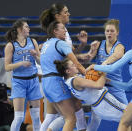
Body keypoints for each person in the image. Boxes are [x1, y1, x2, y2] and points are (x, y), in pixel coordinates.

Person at [54, 58, 132, 131]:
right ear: (68, 71)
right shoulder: (76, 80)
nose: (75, 66)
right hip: (105, 103)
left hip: (99, 105)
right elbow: (98, 86)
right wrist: (103, 72)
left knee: (128, 124)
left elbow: (91, 84)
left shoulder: (68, 81)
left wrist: (98, 76)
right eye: (72, 65)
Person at [39, 3, 91, 131]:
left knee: (70, 109)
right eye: (66, 12)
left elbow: (72, 54)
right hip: (56, 80)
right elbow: (75, 60)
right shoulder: (60, 40)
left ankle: (82, 129)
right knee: (69, 118)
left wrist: (82, 46)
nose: (69, 14)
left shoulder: (48, 42)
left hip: (47, 81)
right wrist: (87, 74)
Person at [76, 19, 128, 130]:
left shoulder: (119, 47)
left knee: (129, 115)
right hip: (100, 86)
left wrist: (103, 64)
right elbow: (88, 58)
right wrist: (87, 48)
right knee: (95, 118)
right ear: (104, 32)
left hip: (116, 86)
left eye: (112, 31)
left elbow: (116, 56)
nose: (109, 33)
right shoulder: (99, 45)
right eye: (107, 31)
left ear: (117, 32)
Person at [4, 19, 43, 131]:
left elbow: (41, 62)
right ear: (20, 29)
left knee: (36, 117)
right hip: (19, 82)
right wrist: (20, 63)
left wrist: (36, 56)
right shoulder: (11, 45)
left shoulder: (33, 41)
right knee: (19, 117)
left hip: (33, 81)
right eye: (26, 27)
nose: (29, 29)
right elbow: (7, 67)